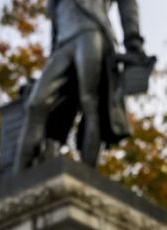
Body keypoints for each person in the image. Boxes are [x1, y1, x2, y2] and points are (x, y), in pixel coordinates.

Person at [14, 0, 145, 174]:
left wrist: (133, 40)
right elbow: (56, 23)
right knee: (35, 105)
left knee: (90, 104)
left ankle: (87, 173)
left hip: (91, 31)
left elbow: (127, 3)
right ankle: (18, 179)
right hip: (62, 44)